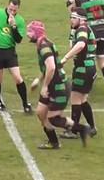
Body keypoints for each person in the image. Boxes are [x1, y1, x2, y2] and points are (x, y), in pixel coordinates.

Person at [26, 21, 89, 149]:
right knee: (40, 113)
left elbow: (51, 67)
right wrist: (39, 80)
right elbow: (49, 67)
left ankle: (82, 128)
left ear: (36, 33)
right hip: (53, 85)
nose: (27, 35)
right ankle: (53, 142)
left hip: (59, 87)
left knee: (53, 118)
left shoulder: (44, 47)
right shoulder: (44, 43)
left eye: (30, 32)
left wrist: (44, 86)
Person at [60, 8, 98, 138]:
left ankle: (73, 130)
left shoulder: (82, 29)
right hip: (89, 68)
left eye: (74, 18)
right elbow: (73, 46)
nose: (71, 20)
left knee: (75, 98)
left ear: (81, 19)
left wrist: (65, 58)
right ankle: (92, 127)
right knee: (82, 99)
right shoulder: (81, 29)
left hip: (83, 68)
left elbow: (81, 45)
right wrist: (71, 33)